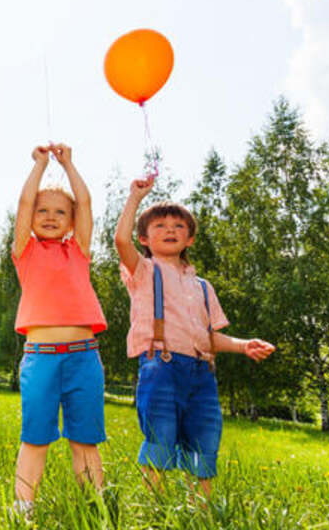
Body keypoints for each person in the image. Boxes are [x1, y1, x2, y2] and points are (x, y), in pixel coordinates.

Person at [115, 178, 275, 495]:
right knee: (160, 436)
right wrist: (135, 197)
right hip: (161, 367)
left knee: (205, 439)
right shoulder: (144, 271)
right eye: (159, 225)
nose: (170, 229)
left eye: (178, 225)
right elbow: (121, 240)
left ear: (189, 238)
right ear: (144, 238)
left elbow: (209, 337)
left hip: (202, 373)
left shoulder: (202, 286)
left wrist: (243, 346)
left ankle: (200, 511)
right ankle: (155, 509)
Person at [11, 144, 106, 518]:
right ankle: (23, 510)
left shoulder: (79, 250)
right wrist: (39, 166)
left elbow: (85, 200)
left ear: (71, 221)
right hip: (41, 360)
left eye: (60, 212)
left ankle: (95, 509)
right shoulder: (25, 251)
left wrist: (67, 165)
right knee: (35, 438)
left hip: (84, 358)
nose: (50, 217)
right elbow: (22, 204)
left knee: (85, 440)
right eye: (42, 210)